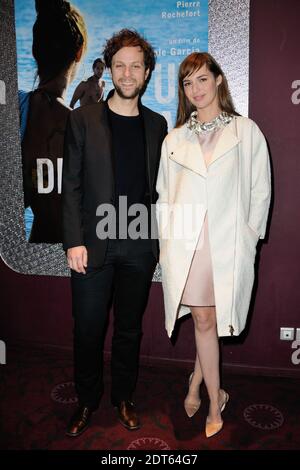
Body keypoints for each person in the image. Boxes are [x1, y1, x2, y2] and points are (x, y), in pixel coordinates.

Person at [156, 52, 271, 438]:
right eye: (188, 84)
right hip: (188, 242)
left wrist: (249, 237)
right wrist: (166, 241)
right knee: (204, 319)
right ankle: (211, 392)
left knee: (208, 320)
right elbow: (164, 196)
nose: (196, 90)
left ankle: (204, 392)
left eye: (202, 80)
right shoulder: (174, 138)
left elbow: (260, 190)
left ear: (219, 80)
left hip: (225, 242)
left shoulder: (245, 131)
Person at [62, 29, 167, 437]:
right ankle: (87, 401)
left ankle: (124, 396)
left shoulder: (158, 125)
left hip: (140, 243)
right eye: (120, 65)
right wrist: (73, 239)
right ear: (109, 69)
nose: (127, 73)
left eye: (135, 66)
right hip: (92, 244)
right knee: (87, 328)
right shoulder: (82, 119)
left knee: (129, 328)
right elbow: (71, 183)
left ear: (146, 73)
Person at [20, 0, 87, 243]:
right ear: (79, 51)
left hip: (28, 257)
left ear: (35, 50)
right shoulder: (82, 129)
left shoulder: (16, 110)